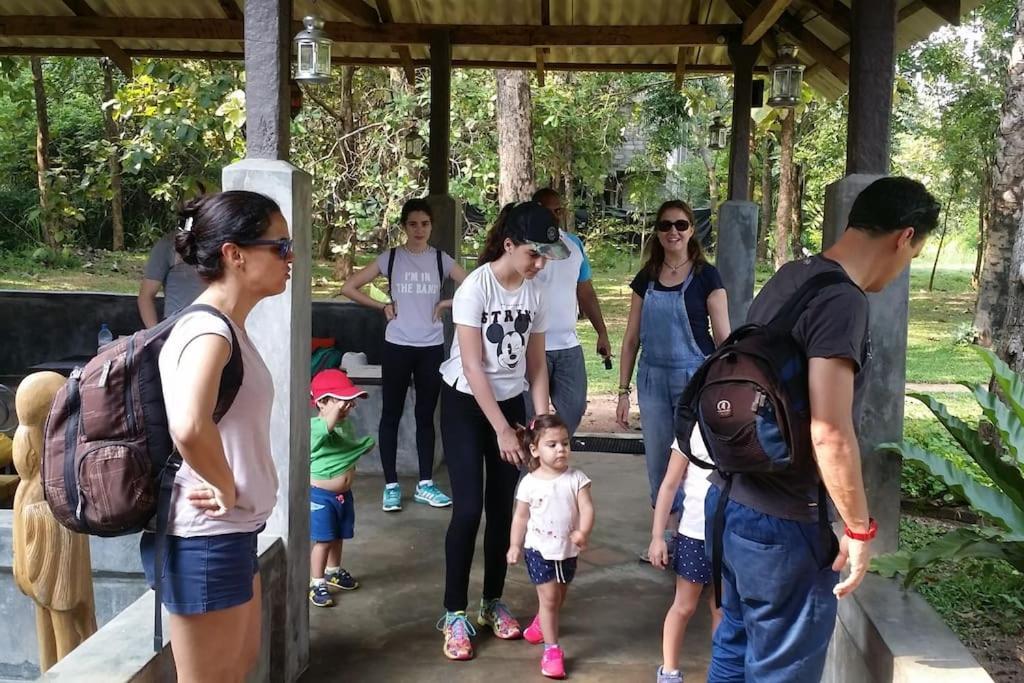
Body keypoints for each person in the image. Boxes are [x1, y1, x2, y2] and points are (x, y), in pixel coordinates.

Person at [704, 177, 940, 682]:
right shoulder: (843, 301)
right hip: (783, 527)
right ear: (904, 238)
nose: (904, 268)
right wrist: (858, 530)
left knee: (733, 646)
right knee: (780, 670)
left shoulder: (793, 275)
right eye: (913, 254)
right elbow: (829, 430)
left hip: (731, 502)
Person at [144, 190, 292, 682]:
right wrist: (225, 485)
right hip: (203, 536)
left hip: (228, 535)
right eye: (281, 246)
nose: (291, 259)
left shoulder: (227, 327)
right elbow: (188, 425)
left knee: (235, 669)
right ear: (235, 253)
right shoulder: (209, 332)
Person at [436, 201, 568, 661]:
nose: (539, 263)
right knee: (469, 508)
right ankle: (454, 613)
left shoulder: (536, 293)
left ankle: (492, 602)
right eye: (534, 254)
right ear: (509, 245)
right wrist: (503, 432)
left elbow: (536, 366)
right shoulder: (477, 288)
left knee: (505, 510)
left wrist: (540, 424)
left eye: (545, 256)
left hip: (510, 404)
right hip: (465, 404)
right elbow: (473, 366)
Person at [341, 198, 468, 512]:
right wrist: (381, 306)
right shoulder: (392, 258)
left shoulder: (441, 259)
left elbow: (476, 286)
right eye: (413, 224)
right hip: (397, 344)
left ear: (431, 226)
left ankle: (425, 483)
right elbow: (349, 287)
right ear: (404, 227)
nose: (419, 230)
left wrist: (445, 304)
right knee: (391, 415)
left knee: (425, 416)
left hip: (429, 347)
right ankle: (391, 485)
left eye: (425, 224)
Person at [615, 200, 731, 529]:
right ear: (657, 231)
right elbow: (631, 339)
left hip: (695, 376)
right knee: (658, 460)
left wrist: (728, 381)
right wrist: (623, 392)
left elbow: (724, 337)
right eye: (665, 225)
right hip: (652, 380)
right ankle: (665, 535)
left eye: (680, 225)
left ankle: (695, 534)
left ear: (692, 230)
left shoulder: (707, 276)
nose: (673, 231)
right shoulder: (646, 277)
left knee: (696, 456)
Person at [507, 413, 594, 679]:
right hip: (539, 550)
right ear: (534, 449)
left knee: (559, 596)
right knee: (550, 598)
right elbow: (520, 517)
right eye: (552, 444)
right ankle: (552, 650)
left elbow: (587, 508)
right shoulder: (530, 483)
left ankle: (541, 622)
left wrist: (582, 531)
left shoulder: (577, 478)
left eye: (565, 443)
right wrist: (515, 545)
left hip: (567, 550)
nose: (561, 450)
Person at [529, 188, 611, 434]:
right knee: (531, 415)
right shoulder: (524, 244)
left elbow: (585, 291)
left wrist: (602, 332)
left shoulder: (573, 244)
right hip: (532, 346)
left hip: (568, 346)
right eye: (548, 210)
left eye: (558, 210)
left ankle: (554, 452)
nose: (554, 215)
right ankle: (530, 467)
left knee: (573, 410)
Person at [648, 431, 722, 683]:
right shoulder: (691, 431)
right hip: (694, 533)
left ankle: (721, 670)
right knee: (684, 605)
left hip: (732, 534)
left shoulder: (743, 424)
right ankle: (669, 671)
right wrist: (658, 536)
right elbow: (669, 484)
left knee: (721, 607)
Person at [308, 368, 375, 608]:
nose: (349, 408)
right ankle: (317, 582)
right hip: (320, 496)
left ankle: (333, 570)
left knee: (338, 536)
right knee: (323, 540)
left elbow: (345, 448)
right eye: (342, 403)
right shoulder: (315, 427)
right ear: (322, 402)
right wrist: (332, 415)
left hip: (343, 495)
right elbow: (322, 434)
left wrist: (360, 446)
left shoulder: (344, 426)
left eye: (351, 402)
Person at [138, 231, 206, 328]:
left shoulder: (225, 243)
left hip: (217, 326)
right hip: (177, 328)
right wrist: (156, 335)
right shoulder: (168, 244)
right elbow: (146, 296)